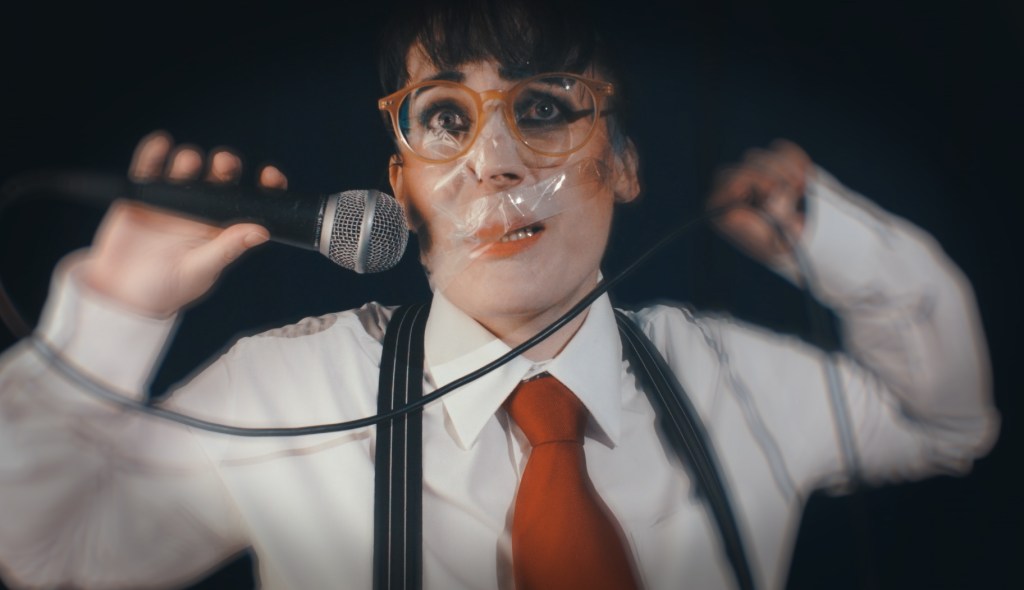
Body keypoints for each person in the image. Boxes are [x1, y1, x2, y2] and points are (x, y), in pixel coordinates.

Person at [0, 0, 998, 588]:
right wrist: (113, 307)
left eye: (544, 108)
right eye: (445, 118)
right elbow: (43, 550)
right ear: (399, 188)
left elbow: (946, 420)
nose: (495, 162)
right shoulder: (287, 390)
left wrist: (841, 243)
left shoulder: (731, 376)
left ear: (623, 164)